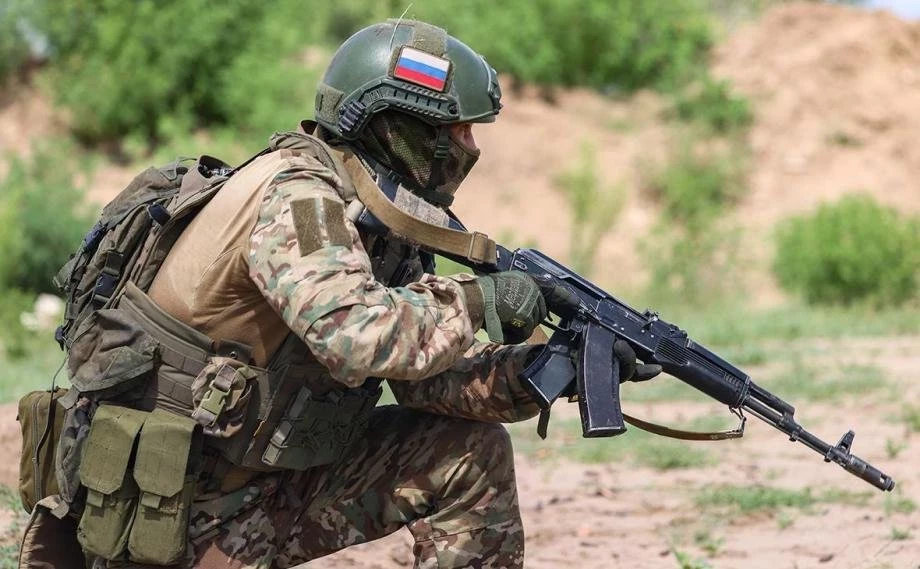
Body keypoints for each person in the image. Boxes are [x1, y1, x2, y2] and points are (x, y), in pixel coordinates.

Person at [59, 19, 656, 569]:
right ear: (396, 126)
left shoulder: (372, 217)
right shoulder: (299, 197)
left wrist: (552, 368)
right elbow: (356, 337)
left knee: (471, 455)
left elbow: (427, 379)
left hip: (264, 487)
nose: (470, 148)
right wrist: (479, 301)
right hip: (175, 516)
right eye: (456, 130)